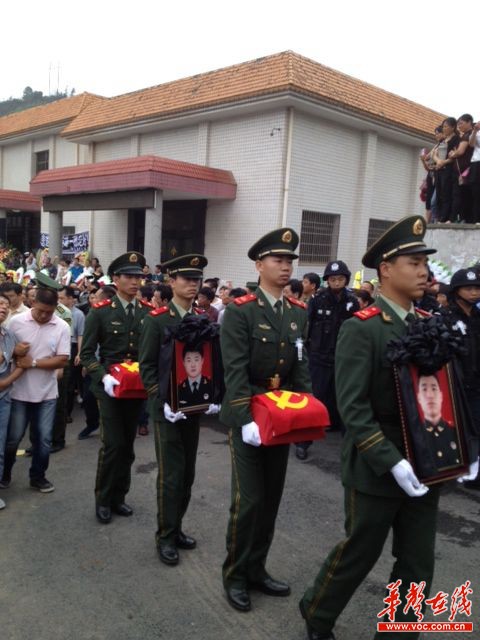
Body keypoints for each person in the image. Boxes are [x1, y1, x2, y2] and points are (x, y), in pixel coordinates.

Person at [299, 215, 477, 640]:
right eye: (414, 263)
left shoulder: (426, 324)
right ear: (386, 269)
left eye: (424, 264)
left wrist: (462, 446)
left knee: (417, 562)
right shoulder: (362, 329)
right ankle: (317, 611)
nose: (424, 272)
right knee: (360, 552)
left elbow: (445, 392)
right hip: (378, 466)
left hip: (428, 462)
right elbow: (353, 407)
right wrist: (390, 460)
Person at [220, 228, 312, 613]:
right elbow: (235, 370)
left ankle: (257, 568)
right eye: (278, 260)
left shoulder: (297, 313)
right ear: (259, 265)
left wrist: (308, 414)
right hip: (250, 415)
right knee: (249, 500)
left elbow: (300, 366)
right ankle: (236, 574)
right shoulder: (241, 311)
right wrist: (244, 419)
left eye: (290, 260)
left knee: (271, 499)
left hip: (282, 416)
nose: (286, 266)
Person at [139, 254, 216, 566]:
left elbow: (208, 361)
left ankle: (177, 526)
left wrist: (213, 391)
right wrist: (163, 400)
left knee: (187, 474)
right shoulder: (157, 320)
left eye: (197, 279)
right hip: (167, 411)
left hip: (192, 407)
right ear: (172, 282)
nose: (192, 284)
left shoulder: (202, 319)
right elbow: (147, 368)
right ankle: (166, 535)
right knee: (171, 476)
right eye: (186, 279)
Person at [80, 252, 153, 524]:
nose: (135, 282)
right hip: (110, 387)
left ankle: (120, 496)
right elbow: (86, 353)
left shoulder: (147, 311)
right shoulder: (100, 313)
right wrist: (103, 376)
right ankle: (103, 498)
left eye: (139, 277)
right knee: (112, 445)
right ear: (116, 279)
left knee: (128, 446)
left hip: (137, 388)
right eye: (129, 277)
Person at [2, 284, 70, 494]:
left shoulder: (61, 327)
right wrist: (15, 352)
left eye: (48, 312)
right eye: (40, 310)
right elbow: (6, 352)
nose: (43, 316)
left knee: (43, 439)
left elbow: (62, 360)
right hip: (17, 391)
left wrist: (33, 363)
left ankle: (38, 477)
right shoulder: (16, 322)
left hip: (47, 393)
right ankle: (5, 475)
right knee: (12, 438)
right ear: (32, 303)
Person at [297, 260, 359, 460]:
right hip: (319, 356)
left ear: (346, 280)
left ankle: (352, 448)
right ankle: (303, 442)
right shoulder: (318, 299)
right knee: (315, 398)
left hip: (343, 357)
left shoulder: (352, 301)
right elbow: (307, 325)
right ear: (327, 281)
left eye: (340, 278)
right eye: (333, 279)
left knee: (346, 400)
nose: (337, 282)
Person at [445, 268, 480, 488]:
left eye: (477, 288)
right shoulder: (446, 317)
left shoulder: (477, 317)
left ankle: (473, 472)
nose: (474, 292)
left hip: (476, 384)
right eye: (468, 288)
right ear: (456, 291)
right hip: (455, 384)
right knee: (458, 429)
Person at [0, 294, 25, 507]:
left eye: (6, 305)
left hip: (3, 397)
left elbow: (21, 363)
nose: (3, 307)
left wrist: (6, 381)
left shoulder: (8, 334)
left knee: (0, 443)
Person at [416, 373, 460, 471]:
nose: (430, 395)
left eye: (434, 388)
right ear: (419, 398)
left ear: (441, 396)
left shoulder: (457, 433)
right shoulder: (415, 437)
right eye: (424, 389)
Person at [177, 344, 213, 409]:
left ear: (202, 361)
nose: (193, 365)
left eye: (196, 360)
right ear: (184, 363)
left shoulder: (212, 385)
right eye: (189, 360)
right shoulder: (178, 390)